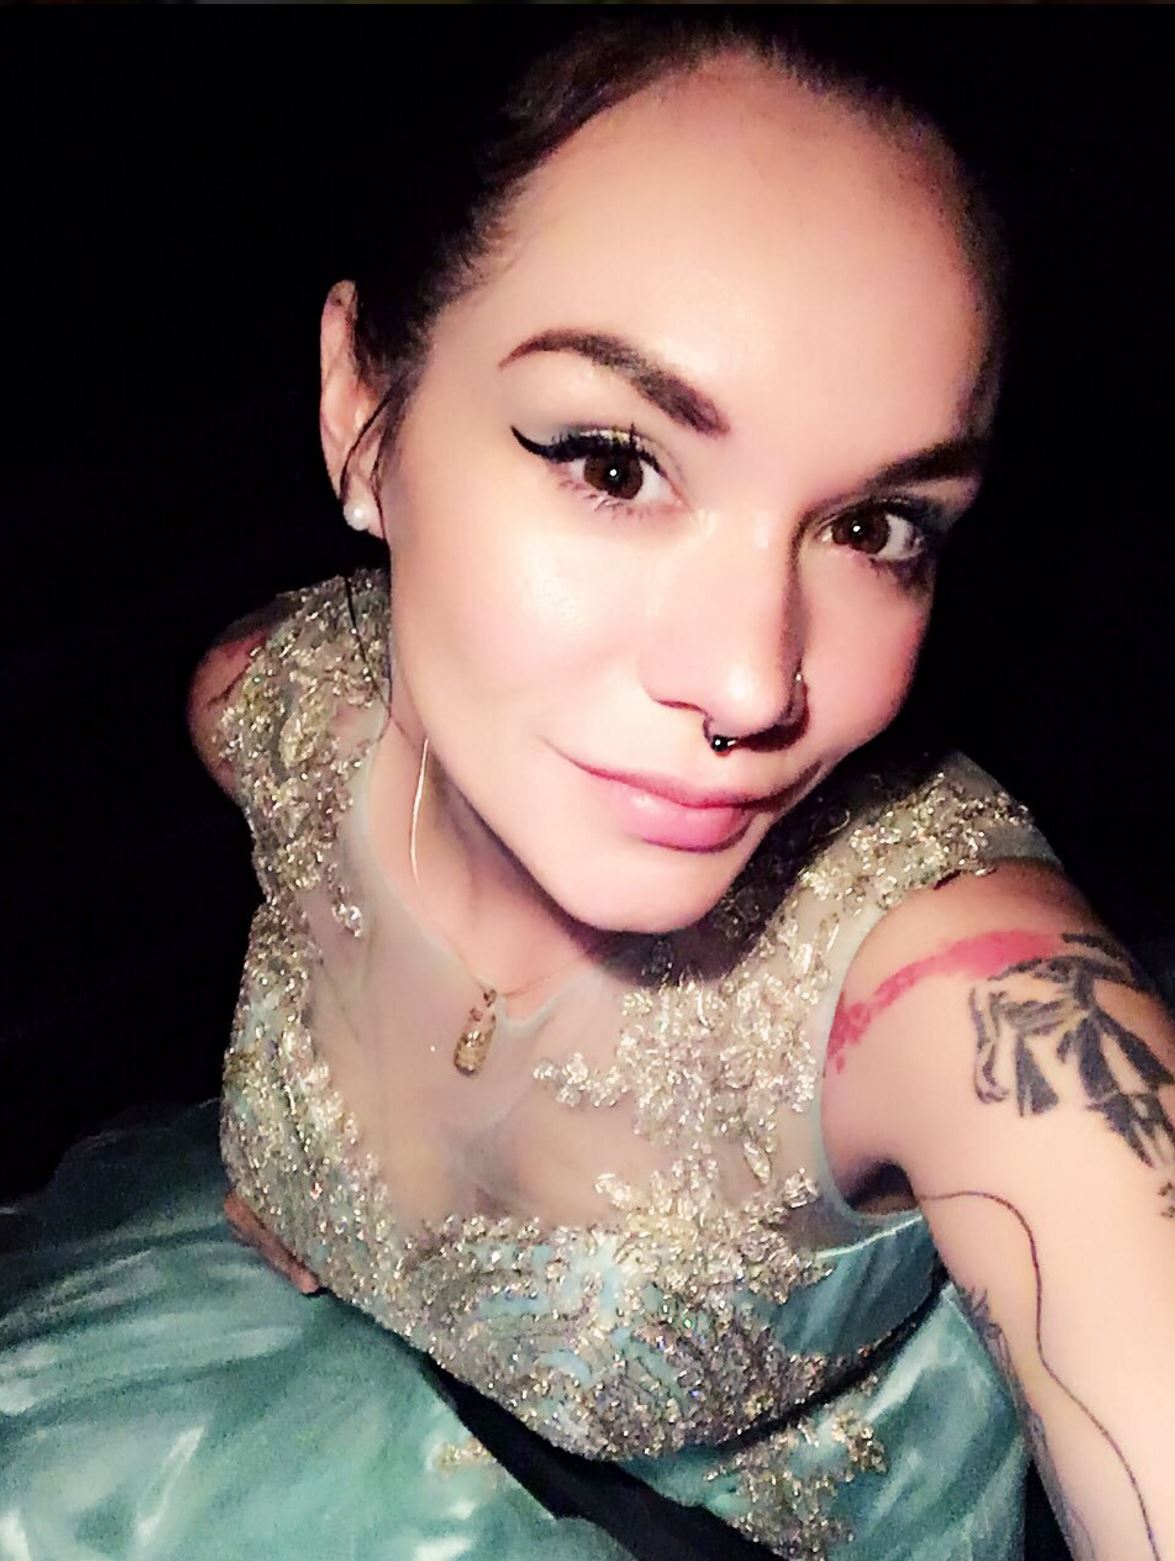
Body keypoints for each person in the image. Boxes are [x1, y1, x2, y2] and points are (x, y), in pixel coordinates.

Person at [4, 16, 1173, 1560]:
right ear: (363, 409)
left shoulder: (968, 1005)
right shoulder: (260, 709)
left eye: (879, 526)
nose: (754, 684)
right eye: (616, 462)